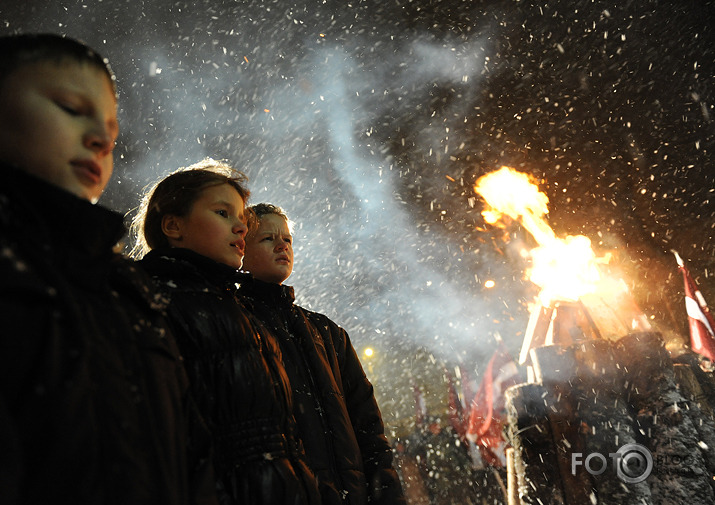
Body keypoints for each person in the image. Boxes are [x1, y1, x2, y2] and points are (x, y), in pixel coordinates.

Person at [0, 33, 216, 504]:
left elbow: (191, 460)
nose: (101, 139)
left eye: (113, 133)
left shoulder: (127, 293)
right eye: (71, 108)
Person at [130, 160, 320, 505]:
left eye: (241, 219)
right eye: (223, 213)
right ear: (173, 226)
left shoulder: (239, 311)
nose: (240, 229)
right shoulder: (152, 306)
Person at [239, 203, 406, 505]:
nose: (282, 246)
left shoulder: (327, 333)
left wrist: (387, 494)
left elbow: (369, 429)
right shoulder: (237, 327)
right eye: (267, 239)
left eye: (287, 239)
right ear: (241, 251)